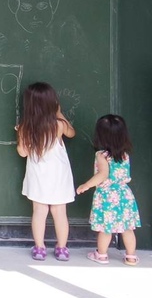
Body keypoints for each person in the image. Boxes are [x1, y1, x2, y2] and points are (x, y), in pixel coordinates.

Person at [16, 82, 76, 261]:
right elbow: (72, 133)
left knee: (39, 211)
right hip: (59, 174)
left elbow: (22, 152)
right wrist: (59, 113)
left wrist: (20, 136)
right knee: (60, 212)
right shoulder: (58, 125)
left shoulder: (26, 127)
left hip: (38, 175)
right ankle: (62, 249)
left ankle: (40, 248)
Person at [76, 114, 142, 265]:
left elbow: (103, 174)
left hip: (107, 196)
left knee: (106, 228)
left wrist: (86, 185)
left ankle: (101, 255)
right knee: (127, 228)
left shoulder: (101, 155)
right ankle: (131, 256)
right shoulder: (125, 155)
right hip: (124, 194)